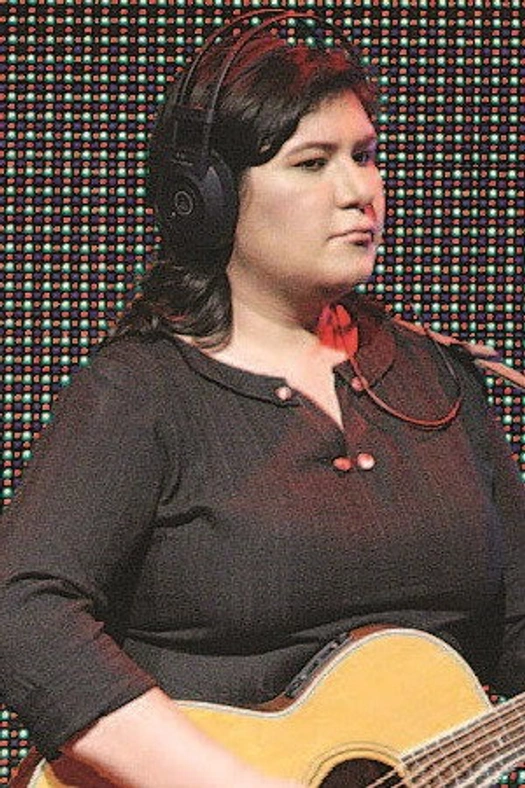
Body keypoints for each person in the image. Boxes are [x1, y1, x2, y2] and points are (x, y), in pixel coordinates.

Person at [1, 12, 524, 788]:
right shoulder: (144, 392)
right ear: (211, 197)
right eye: (311, 164)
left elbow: (514, 629)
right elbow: (23, 612)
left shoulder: (436, 380)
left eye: (364, 156)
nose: (357, 192)